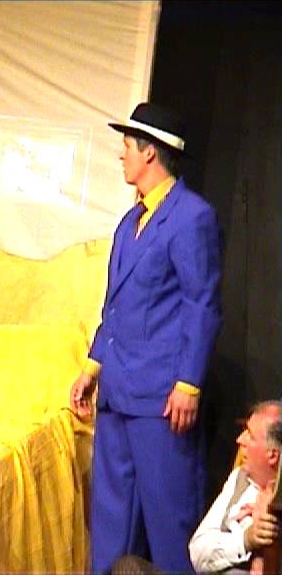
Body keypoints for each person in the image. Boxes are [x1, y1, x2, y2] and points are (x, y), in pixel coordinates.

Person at [70, 102, 223, 573]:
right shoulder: (127, 223)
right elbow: (115, 307)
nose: (122, 155)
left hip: (160, 398)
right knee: (111, 521)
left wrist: (189, 383)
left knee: (168, 520)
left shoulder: (191, 217)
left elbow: (202, 304)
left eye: (127, 147)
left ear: (150, 152)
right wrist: (92, 367)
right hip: (117, 392)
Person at [189, 401, 281, 574]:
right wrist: (245, 540)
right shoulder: (240, 478)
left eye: (250, 436)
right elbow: (197, 551)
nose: (240, 440)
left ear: (272, 455)